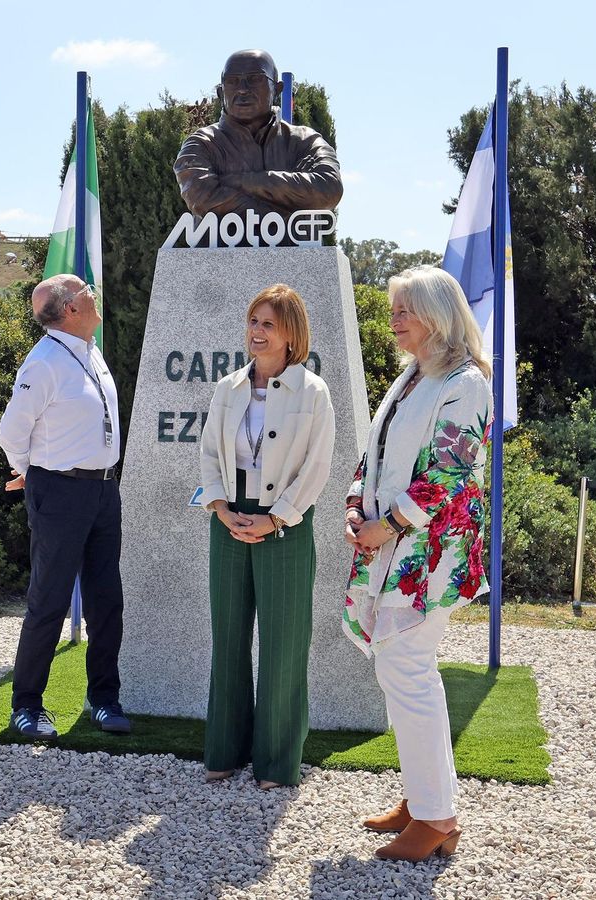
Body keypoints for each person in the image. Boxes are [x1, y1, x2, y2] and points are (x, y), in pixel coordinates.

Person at [342, 266, 492, 861]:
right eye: (395, 309)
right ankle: (423, 797)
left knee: (409, 671)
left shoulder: (465, 383)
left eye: (405, 309)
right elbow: (372, 454)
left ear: (437, 314)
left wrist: (388, 524)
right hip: (393, 545)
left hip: (429, 556)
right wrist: (356, 507)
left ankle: (436, 819)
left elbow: (448, 473)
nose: (395, 319)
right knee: (399, 674)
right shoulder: (411, 378)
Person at [197, 284, 334, 788]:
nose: (256, 332)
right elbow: (211, 455)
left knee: (283, 644)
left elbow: (318, 468)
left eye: (268, 324)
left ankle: (276, 762)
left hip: (286, 526)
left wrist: (276, 518)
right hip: (229, 519)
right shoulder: (227, 388)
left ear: (290, 334)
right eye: (252, 321)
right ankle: (224, 751)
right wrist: (220, 507)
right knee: (228, 639)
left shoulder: (313, 392)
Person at [0, 273, 130, 739]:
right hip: (60, 492)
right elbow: (12, 432)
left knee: (106, 600)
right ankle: (26, 707)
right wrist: (29, 470)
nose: (94, 291)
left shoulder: (90, 349)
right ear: (70, 308)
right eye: (86, 288)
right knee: (49, 602)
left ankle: (103, 700)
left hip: (102, 492)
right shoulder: (44, 363)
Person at [173, 49, 344, 219]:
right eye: (232, 81)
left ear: (277, 89)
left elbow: (330, 189)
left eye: (255, 79)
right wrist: (283, 216)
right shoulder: (200, 144)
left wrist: (243, 181)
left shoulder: (305, 141)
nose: (242, 89)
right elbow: (202, 198)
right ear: (221, 93)